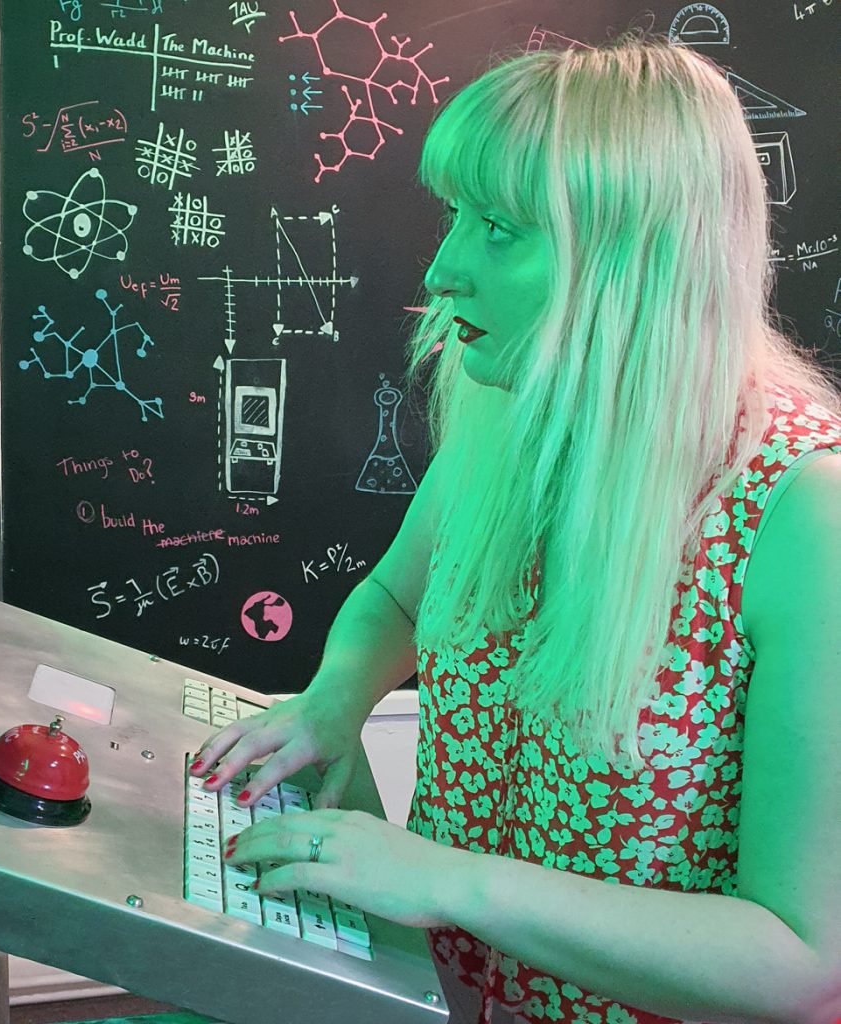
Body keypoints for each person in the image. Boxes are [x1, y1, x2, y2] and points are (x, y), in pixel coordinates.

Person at [189, 31, 841, 1024]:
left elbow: (798, 958)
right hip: (442, 993)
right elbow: (396, 597)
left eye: (499, 227)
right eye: (455, 215)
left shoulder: (802, 511)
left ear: (638, 255)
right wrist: (332, 699)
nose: (444, 270)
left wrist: (449, 880)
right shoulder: (508, 404)